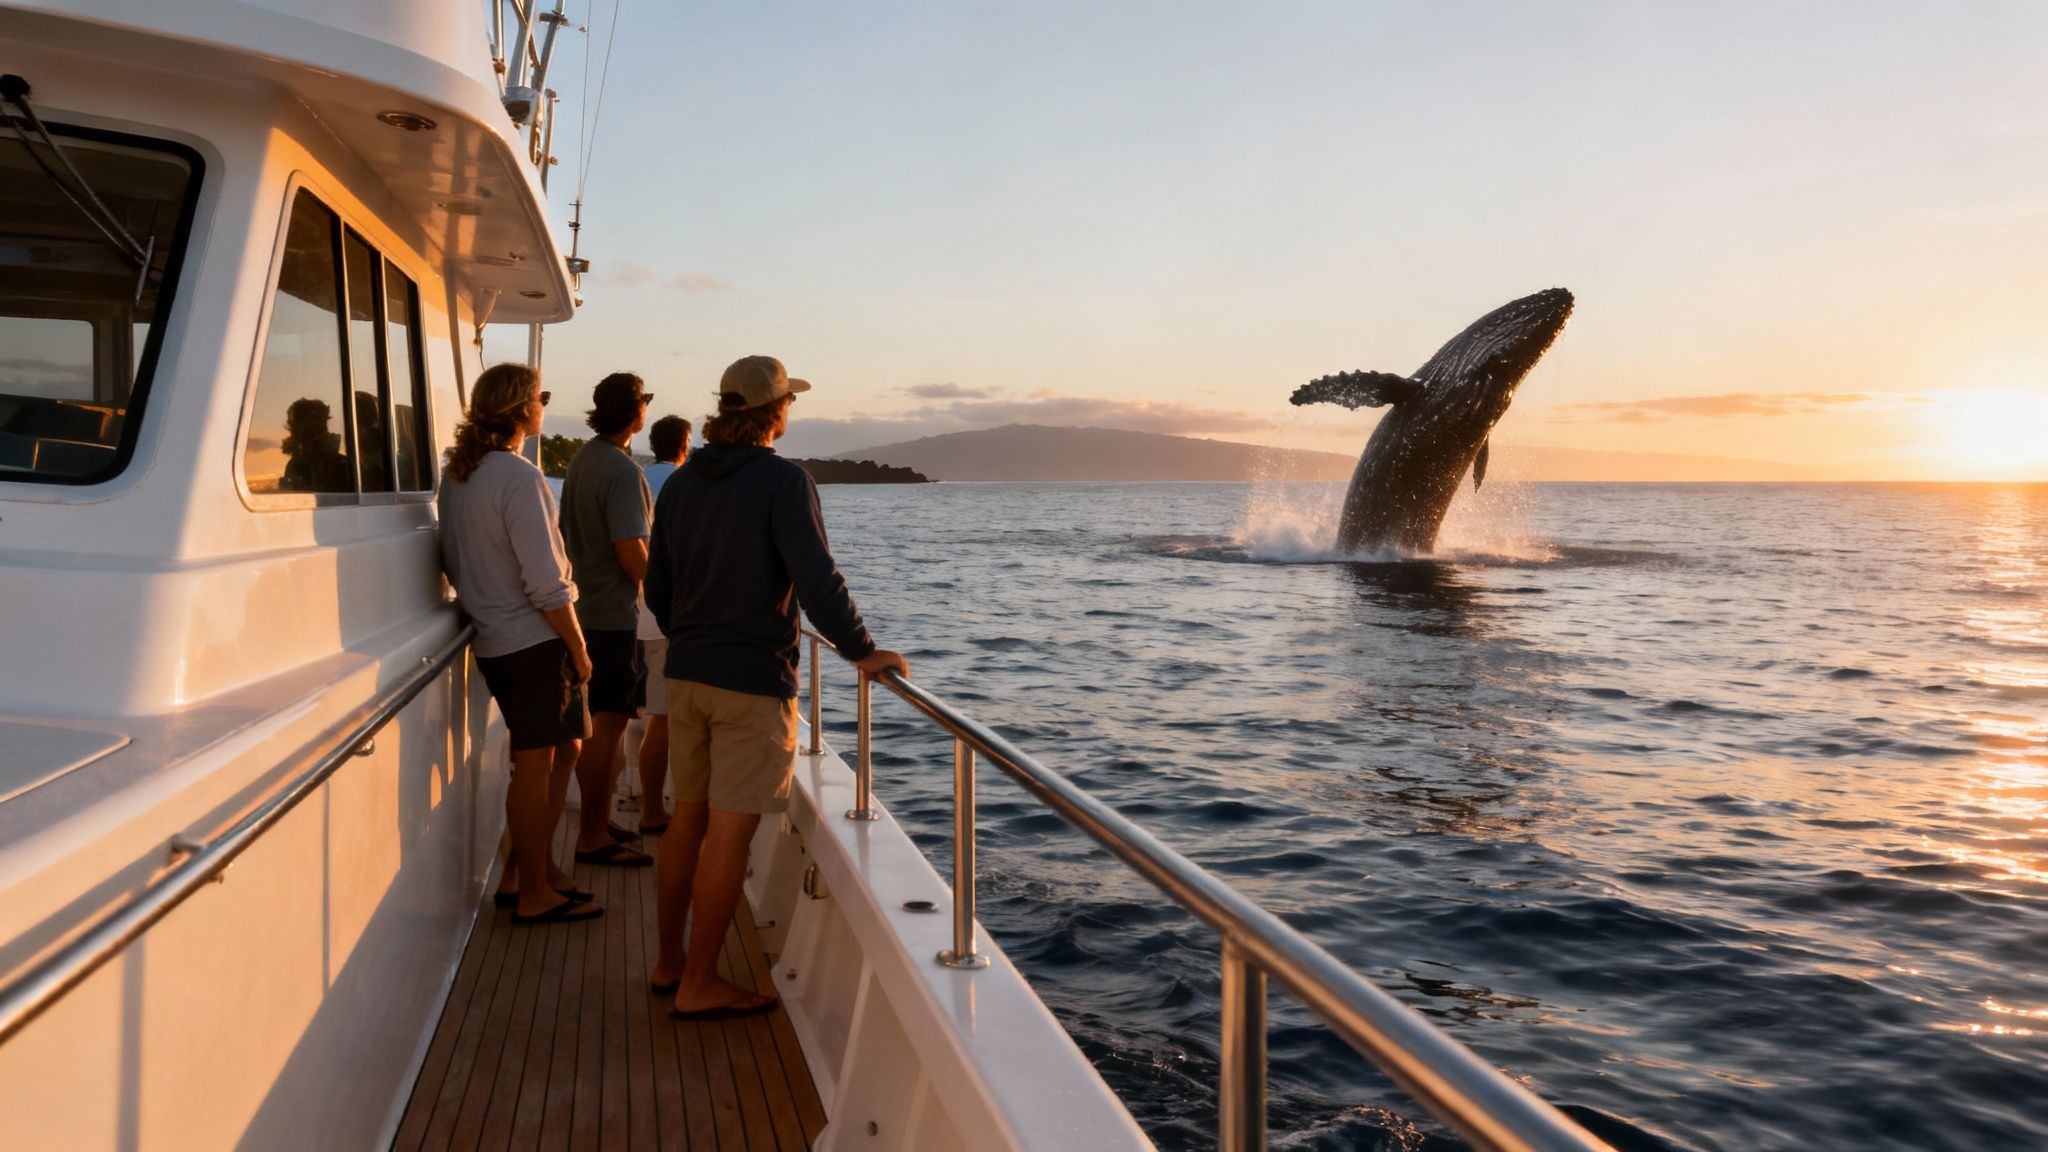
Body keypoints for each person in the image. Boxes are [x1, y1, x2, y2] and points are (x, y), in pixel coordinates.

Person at [645, 355, 907, 1018]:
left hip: (687, 674)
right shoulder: (783, 481)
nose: (791, 411)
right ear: (774, 412)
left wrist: (691, 634)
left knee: (687, 820)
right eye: (788, 402)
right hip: (750, 680)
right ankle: (700, 982)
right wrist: (863, 650)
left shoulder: (679, 483)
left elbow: (658, 586)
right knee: (729, 832)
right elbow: (817, 581)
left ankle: (669, 961)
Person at [436, 364, 600, 924]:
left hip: (496, 641)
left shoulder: (459, 477)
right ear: (523, 410)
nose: (545, 406)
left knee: (563, 752)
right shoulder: (519, 477)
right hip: (533, 642)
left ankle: (526, 872)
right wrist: (578, 649)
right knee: (535, 765)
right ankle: (533, 892)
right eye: (542, 398)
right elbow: (548, 583)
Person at [558, 372, 658, 867]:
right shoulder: (621, 471)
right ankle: (592, 835)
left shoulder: (583, 460)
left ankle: (597, 825)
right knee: (607, 725)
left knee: (597, 724)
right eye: (647, 399)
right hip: (611, 617)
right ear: (636, 408)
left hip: (583, 611)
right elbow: (631, 549)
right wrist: (667, 597)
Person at [633, 415, 691, 836]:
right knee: (664, 718)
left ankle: (646, 799)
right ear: (684, 443)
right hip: (666, 617)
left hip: (631, 613)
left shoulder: (637, 478)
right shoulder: (682, 484)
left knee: (641, 713)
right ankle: (654, 810)